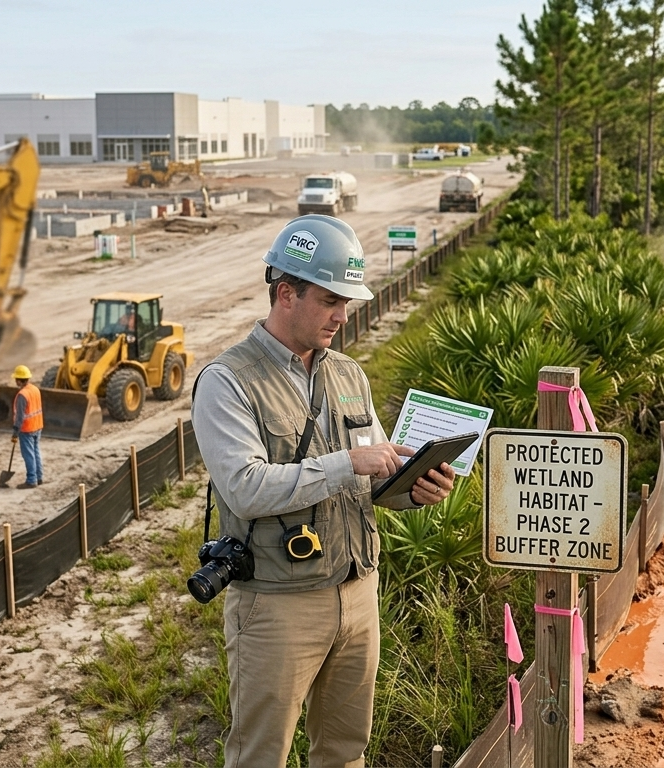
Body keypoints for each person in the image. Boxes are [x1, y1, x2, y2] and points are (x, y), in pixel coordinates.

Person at [192, 215, 455, 766]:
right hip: (277, 605)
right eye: (331, 299)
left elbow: (376, 480)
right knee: (260, 755)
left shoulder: (349, 374)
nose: (342, 315)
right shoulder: (227, 381)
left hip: (358, 592)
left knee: (344, 751)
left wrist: (415, 488)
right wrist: (347, 463)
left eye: (346, 301)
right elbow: (244, 488)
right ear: (286, 293)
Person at [11, 365, 44, 488]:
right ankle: (39, 477)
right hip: (38, 426)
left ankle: (31, 480)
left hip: (27, 429)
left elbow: (20, 416)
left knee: (28, 454)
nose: (15, 381)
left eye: (16, 379)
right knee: (36, 452)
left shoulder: (22, 395)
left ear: (19, 380)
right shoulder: (35, 389)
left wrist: (15, 432)